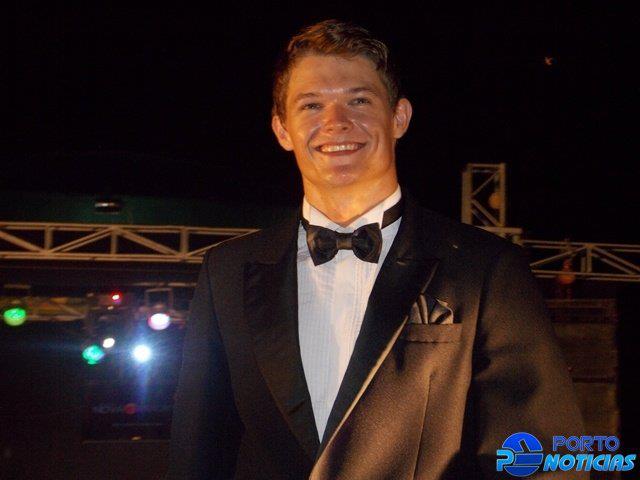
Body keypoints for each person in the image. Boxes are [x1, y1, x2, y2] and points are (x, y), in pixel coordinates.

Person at [167, 19, 585, 479]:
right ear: (282, 130)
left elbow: (541, 460)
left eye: (359, 100)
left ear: (399, 117)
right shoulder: (227, 270)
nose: (336, 122)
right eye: (311, 105)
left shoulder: (486, 268)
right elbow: (196, 455)